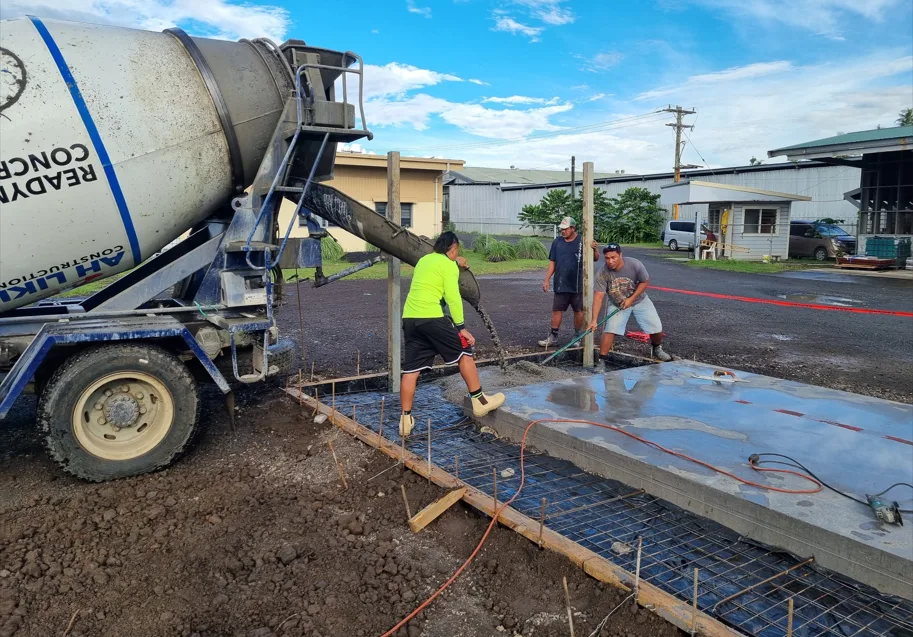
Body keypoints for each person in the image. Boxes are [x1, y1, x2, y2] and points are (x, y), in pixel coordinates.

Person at [399, 232, 505, 436]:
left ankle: (405, 420)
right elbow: (453, 297)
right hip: (432, 317)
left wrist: (457, 263)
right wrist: (461, 327)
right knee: (464, 350)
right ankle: (480, 400)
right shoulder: (448, 265)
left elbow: (441, 268)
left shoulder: (424, 260)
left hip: (410, 319)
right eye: (457, 251)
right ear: (454, 248)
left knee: (411, 370)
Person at [588, 243, 673, 367]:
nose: (610, 261)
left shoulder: (634, 264)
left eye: (613, 257)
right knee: (610, 329)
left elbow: (645, 281)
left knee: (656, 328)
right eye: (607, 258)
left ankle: (657, 348)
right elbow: (598, 297)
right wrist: (594, 320)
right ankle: (602, 361)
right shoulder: (602, 273)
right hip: (618, 303)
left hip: (640, 300)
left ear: (620, 255)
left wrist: (631, 299)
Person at [538, 216, 600, 347]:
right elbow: (552, 262)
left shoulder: (583, 241)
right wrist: (546, 279)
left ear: (573, 228)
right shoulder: (557, 242)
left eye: (566, 229)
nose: (563, 231)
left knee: (578, 310)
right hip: (561, 282)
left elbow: (595, 259)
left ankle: (577, 337)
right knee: (557, 309)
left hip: (577, 283)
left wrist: (594, 249)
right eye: (562, 229)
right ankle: (553, 337)